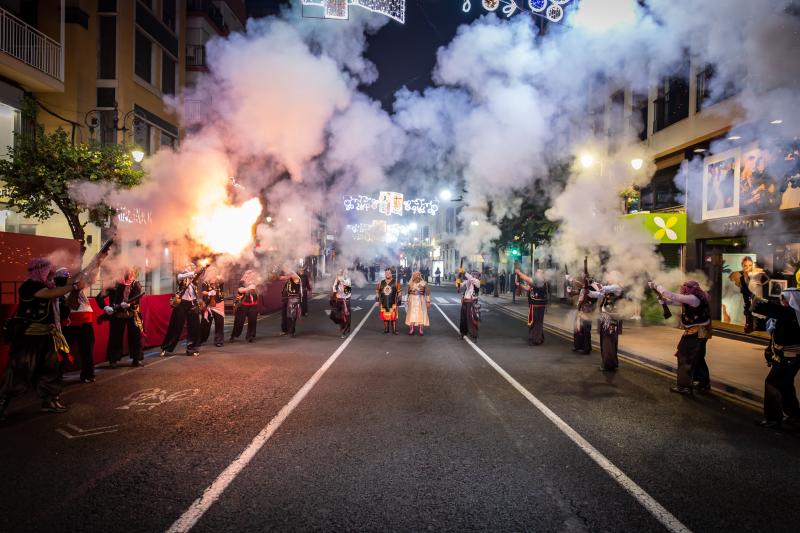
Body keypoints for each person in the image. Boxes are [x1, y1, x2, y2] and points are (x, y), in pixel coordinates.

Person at [0, 258, 87, 418]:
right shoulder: (29, 286)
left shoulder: (53, 288)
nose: (52, 275)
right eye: (49, 271)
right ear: (39, 270)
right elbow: (48, 294)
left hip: (47, 336)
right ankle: (2, 403)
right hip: (28, 338)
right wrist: (73, 286)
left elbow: (67, 308)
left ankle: (49, 401)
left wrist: (75, 292)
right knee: (19, 372)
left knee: (50, 371)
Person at [748, 287, 800, 428]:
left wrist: (753, 298)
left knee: (772, 383)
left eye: (784, 298)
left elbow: (770, 309)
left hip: (790, 357)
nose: (781, 300)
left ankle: (773, 418)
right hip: (785, 357)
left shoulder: (792, 313)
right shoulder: (789, 313)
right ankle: (795, 415)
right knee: (785, 385)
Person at [650, 280, 712, 395]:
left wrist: (656, 285)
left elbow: (672, 295)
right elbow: (675, 301)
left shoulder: (693, 298)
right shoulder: (694, 298)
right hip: (700, 330)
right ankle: (703, 383)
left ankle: (684, 386)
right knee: (698, 357)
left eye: (685, 288)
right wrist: (665, 302)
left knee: (684, 356)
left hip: (696, 331)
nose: (683, 290)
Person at [97, 268, 144, 367]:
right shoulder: (114, 284)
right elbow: (99, 297)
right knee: (115, 336)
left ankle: (137, 358)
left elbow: (136, 299)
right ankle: (113, 359)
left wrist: (129, 305)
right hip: (116, 314)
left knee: (135, 336)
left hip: (132, 314)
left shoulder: (136, 284)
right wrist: (105, 307)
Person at [60, 268, 96, 383]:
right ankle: (57, 374)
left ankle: (88, 374)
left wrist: (97, 265)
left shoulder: (78, 283)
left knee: (86, 350)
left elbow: (92, 278)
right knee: (65, 350)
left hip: (83, 320)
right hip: (70, 321)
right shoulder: (62, 288)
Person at [161, 263, 203, 357]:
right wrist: (193, 272)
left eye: (193, 266)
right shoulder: (181, 276)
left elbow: (198, 276)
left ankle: (191, 349)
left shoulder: (194, 277)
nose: (192, 267)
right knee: (176, 326)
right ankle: (166, 348)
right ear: (185, 267)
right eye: (189, 266)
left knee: (194, 327)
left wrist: (201, 269)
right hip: (181, 303)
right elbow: (183, 276)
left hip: (192, 303)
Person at [589, 282, 624, 371]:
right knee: (605, 343)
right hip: (604, 320)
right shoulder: (604, 292)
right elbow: (593, 294)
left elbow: (606, 288)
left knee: (609, 343)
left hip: (612, 319)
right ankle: (609, 363)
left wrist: (593, 282)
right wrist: (585, 289)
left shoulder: (617, 288)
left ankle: (609, 364)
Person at [516, 269, 548, 346]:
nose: (536, 273)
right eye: (536, 272)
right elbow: (527, 288)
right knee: (533, 322)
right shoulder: (536, 282)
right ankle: (536, 338)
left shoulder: (541, 281)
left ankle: (536, 339)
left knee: (537, 323)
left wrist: (519, 273)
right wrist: (519, 285)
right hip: (533, 305)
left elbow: (527, 279)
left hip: (538, 306)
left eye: (538, 272)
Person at [567, 274, 598, 355]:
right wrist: (570, 292)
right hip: (581, 309)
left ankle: (586, 348)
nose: (582, 278)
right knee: (577, 328)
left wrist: (572, 280)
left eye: (584, 277)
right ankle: (578, 346)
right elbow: (577, 292)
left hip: (587, 310)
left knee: (586, 330)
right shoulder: (584, 286)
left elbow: (584, 287)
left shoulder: (593, 286)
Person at [231, 270, 259, 343]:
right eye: (249, 274)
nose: (251, 276)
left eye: (252, 275)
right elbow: (240, 290)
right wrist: (249, 288)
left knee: (253, 320)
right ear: (246, 275)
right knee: (239, 321)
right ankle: (234, 335)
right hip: (243, 305)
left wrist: (256, 288)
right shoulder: (242, 282)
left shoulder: (256, 282)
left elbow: (259, 291)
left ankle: (251, 336)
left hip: (253, 304)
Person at [200, 267, 225, 347]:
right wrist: (209, 293)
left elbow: (223, 280)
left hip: (219, 304)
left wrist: (220, 278)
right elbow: (203, 292)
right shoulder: (205, 282)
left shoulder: (219, 281)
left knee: (219, 323)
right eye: (212, 272)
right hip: (208, 305)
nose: (213, 273)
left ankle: (219, 341)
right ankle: (202, 339)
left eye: (214, 272)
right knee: (205, 324)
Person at [405, 271, 431, 336]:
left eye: (417, 275)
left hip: (421, 300)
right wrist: (406, 301)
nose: (416, 276)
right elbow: (406, 293)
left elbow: (427, 293)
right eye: (414, 275)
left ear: (419, 275)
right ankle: (411, 329)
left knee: (421, 314)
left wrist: (428, 302)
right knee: (411, 314)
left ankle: (421, 329)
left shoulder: (424, 283)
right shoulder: (410, 283)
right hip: (412, 300)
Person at [377, 268, 401, 335]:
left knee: (393, 317)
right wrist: (377, 300)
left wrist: (399, 299)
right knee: (385, 317)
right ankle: (386, 329)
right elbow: (377, 291)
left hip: (393, 303)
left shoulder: (396, 282)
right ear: (385, 274)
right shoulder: (381, 282)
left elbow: (399, 292)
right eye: (386, 273)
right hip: (384, 302)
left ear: (391, 274)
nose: (387, 274)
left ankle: (394, 330)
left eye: (389, 273)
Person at [459, 270, 481, 341]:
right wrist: (458, 280)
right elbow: (460, 285)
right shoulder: (467, 281)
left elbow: (471, 278)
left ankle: (474, 335)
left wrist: (464, 272)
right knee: (463, 318)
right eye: (473, 274)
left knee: (472, 319)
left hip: (472, 303)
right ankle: (463, 333)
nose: (474, 275)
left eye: (475, 275)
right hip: (465, 301)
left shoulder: (477, 282)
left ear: (478, 277)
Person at [280, 269, 302, 337]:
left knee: (292, 316)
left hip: (293, 299)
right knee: (285, 316)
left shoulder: (297, 278)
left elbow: (286, 276)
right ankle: (286, 330)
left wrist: (289, 270)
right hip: (286, 299)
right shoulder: (289, 279)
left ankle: (291, 332)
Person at [331, 271, 352, 338]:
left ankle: (343, 331)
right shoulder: (337, 280)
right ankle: (342, 327)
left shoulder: (348, 280)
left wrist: (343, 282)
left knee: (345, 316)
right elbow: (334, 289)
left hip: (345, 300)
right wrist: (337, 284)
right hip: (338, 300)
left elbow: (347, 292)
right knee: (334, 315)